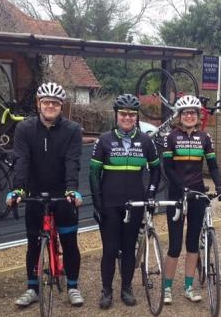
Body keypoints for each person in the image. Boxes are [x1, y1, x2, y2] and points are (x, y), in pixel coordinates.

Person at [6, 82, 85, 307]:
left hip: (62, 194)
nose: (50, 105)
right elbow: (21, 160)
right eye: (46, 102)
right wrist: (19, 188)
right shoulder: (25, 129)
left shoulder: (72, 130)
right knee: (33, 243)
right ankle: (32, 288)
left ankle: (73, 286)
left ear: (61, 106)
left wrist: (71, 188)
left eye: (55, 103)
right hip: (35, 194)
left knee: (70, 242)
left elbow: (73, 162)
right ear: (38, 103)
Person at [89, 93, 160, 309]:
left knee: (129, 249)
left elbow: (156, 170)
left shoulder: (146, 141)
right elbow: (93, 174)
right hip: (110, 204)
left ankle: (126, 287)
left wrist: (150, 193)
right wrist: (97, 203)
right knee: (110, 250)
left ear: (136, 117)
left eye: (131, 115)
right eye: (123, 115)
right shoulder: (104, 140)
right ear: (116, 116)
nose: (127, 118)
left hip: (135, 204)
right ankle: (107, 290)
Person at [161, 95, 221, 304]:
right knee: (174, 245)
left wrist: (219, 186)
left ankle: (189, 287)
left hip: (198, 194)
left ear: (198, 116)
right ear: (179, 116)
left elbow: (213, 166)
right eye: (185, 113)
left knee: (192, 244)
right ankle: (167, 288)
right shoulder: (170, 137)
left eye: (193, 113)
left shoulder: (205, 137)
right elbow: (168, 168)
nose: (189, 116)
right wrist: (182, 187)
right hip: (177, 195)